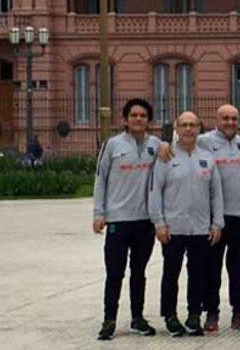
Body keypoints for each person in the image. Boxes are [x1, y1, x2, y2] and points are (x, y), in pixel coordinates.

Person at [148, 111, 224, 337]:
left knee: (198, 273)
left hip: (200, 228)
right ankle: (170, 315)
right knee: (171, 274)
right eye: (184, 125)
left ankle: (194, 315)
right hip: (173, 228)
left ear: (199, 128)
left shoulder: (207, 157)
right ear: (176, 128)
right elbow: (155, 191)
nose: (189, 129)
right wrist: (159, 223)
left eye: (193, 125)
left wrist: (217, 223)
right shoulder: (166, 156)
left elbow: (216, 194)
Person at [92, 97, 162, 341]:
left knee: (139, 272)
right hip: (118, 220)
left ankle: (137, 318)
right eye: (134, 115)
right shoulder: (112, 145)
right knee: (114, 273)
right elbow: (100, 179)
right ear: (125, 119)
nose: (138, 119)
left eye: (143, 116)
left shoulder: (157, 145)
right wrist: (99, 213)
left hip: (144, 221)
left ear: (148, 120)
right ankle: (109, 320)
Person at [195, 104, 240, 332]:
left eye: (234, 118)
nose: (230, 122)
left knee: (239, 267)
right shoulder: (204, 141)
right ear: (217, 119)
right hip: (215, 217)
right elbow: (180, 148)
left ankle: (239, 313)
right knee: (212, 267)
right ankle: (211, 313)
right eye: (226, 118)